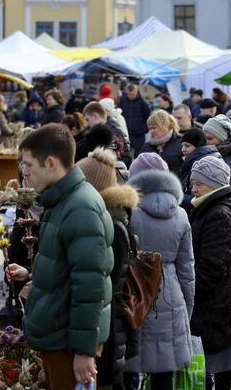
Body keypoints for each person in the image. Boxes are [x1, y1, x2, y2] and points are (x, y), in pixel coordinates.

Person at [7, 124, 113, 389]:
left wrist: (84, 351)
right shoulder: (62, 201)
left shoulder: (79, 208)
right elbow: (67, 266)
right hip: (61, 335)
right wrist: (34, 275)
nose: (25, 172)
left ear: (51, 163)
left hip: (68, 342)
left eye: (29, 164)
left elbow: (90, 286)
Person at [124, 153, 195, 389]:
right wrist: (188, 305)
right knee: (165, 368)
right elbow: (187, 268)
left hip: (134, 289)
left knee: (128, 364)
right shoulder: (181, 214)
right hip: (169, 291)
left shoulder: (128, 214)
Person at [77, 149, 139, 390]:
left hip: (108, 330)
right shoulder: (110, 219)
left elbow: (103, 285)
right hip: (109, 327)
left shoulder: (110, 226)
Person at [189, 156, 231, 390]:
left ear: (214, 183)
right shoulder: (209, 207)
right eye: (192, 183)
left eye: (198, 183)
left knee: (216, 363)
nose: (193, 188)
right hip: (221, 301)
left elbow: (212, 267)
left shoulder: (218, 213)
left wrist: (191, 289)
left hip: (214, 303)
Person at [179, 128, 221, 212]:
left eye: (187, 146)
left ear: (198, 146)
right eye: (182, 145)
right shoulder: (192, 161)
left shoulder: (203, 165)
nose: (183, 149)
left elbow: (198, 197)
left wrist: (175, 196)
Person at [141, 110, 183, 177]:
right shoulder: (147, 146)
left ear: (164, 126)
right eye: (150, 128)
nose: (151, 131)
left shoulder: (181, 142)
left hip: (176, 185)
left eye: (154, 128)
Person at [118, 83, 150, 156]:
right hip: (125, 134)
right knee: (125, 156)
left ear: (136, 92)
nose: (131, 96)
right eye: (129, 94)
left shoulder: (143, 102)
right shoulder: (122, 100)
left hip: (139, 135)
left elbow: (147, 116)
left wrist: (145, 129)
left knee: (139, 156)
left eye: (133, 94)